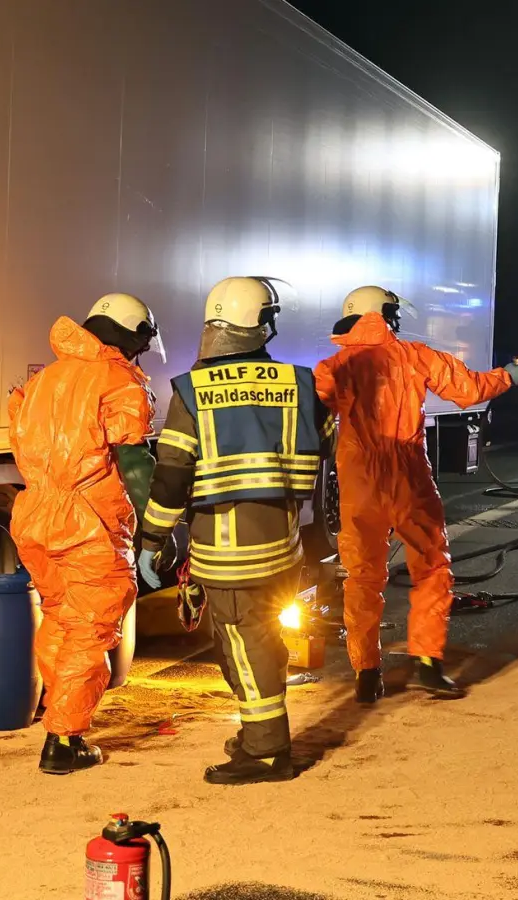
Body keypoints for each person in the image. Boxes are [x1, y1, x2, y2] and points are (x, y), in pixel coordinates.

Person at [137, 276, 329, 785]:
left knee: (246, 646)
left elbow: (172, 475)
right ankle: (256, 736)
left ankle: (266, 752)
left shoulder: (193, 391)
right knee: (258, 643)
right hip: (282, 547)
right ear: (263, 324)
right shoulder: (298, 383)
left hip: (226, 552)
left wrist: (152, 540)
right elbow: (328, 453)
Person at [315, 286, 518, 703]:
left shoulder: (331, 366)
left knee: (362, 577)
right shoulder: (414, 356)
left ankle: (366, 674)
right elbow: (468, 390)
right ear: (385, 316)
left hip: (359, 479)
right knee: (431, 568)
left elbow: (314, 419)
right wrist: (508, 377)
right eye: (393, 314)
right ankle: (428, 665)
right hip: (408, 474)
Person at [8, 293, 162, 774]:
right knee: (91, 626)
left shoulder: (44, 379)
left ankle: (60, 713)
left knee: (60, 618)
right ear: (131, 334)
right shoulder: (117, 380)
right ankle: (63, 739)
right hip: (87, 520)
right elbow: (134, 462)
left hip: (34, 512)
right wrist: (159, 526)